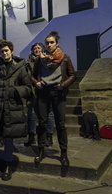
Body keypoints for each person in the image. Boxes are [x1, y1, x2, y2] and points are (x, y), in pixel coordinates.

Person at [0, 40, 32, 181]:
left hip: (11, 107)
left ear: (11, 51)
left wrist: (15, 91)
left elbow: (28, 87)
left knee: (9, 138)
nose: (4, 53)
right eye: (1, 51)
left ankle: (7, 165)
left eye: (6, 50)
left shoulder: (20, 68)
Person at [31, 31, 76, 167]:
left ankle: (63, 153)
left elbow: (72, 75)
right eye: (47, 43)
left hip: (58, 92)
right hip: (43, 92)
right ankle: (41, 150)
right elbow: (32, 76)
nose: (49, 45)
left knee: (60, 125)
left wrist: (63, 85)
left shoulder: (65, 58)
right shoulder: (40, 59)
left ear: (57, 44)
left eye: (52, 42)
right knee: (42, 123)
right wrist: (36, 83)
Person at [24, 43, 55, 147]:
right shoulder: (27, 63)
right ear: (32, 50)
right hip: (32, 92)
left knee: (49, 114)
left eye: (39, 48)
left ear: (42, 49)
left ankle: (48, 136)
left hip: (46, 90)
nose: (37, 50)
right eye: (35, 48)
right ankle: (31, 136)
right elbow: (25, 76)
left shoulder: (48, 59)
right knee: (31, 116)